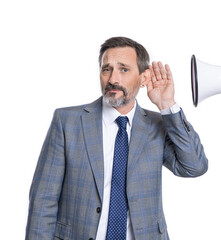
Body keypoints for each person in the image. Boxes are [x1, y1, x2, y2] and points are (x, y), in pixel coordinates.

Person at [25, 36, 208, 240]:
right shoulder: (67, 121)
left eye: (123, 69)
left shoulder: (157, 125)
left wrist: (167, 105)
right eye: (106, 69)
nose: (113, 79)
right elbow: (43, 200)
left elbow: (194, 166)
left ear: (144, 78)